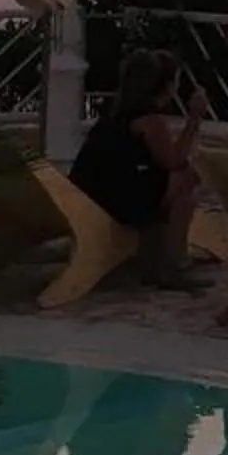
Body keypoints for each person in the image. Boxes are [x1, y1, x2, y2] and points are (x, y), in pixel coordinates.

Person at [70, 48, 209, 286]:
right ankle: (173, 265)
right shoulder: (150, 121)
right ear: (164, 86)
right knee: (188, 179)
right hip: (114, 203)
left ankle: (155, 258)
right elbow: (174, 161)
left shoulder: (114, 116)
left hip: (89, 197)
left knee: (165, 184)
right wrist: (194, 119)